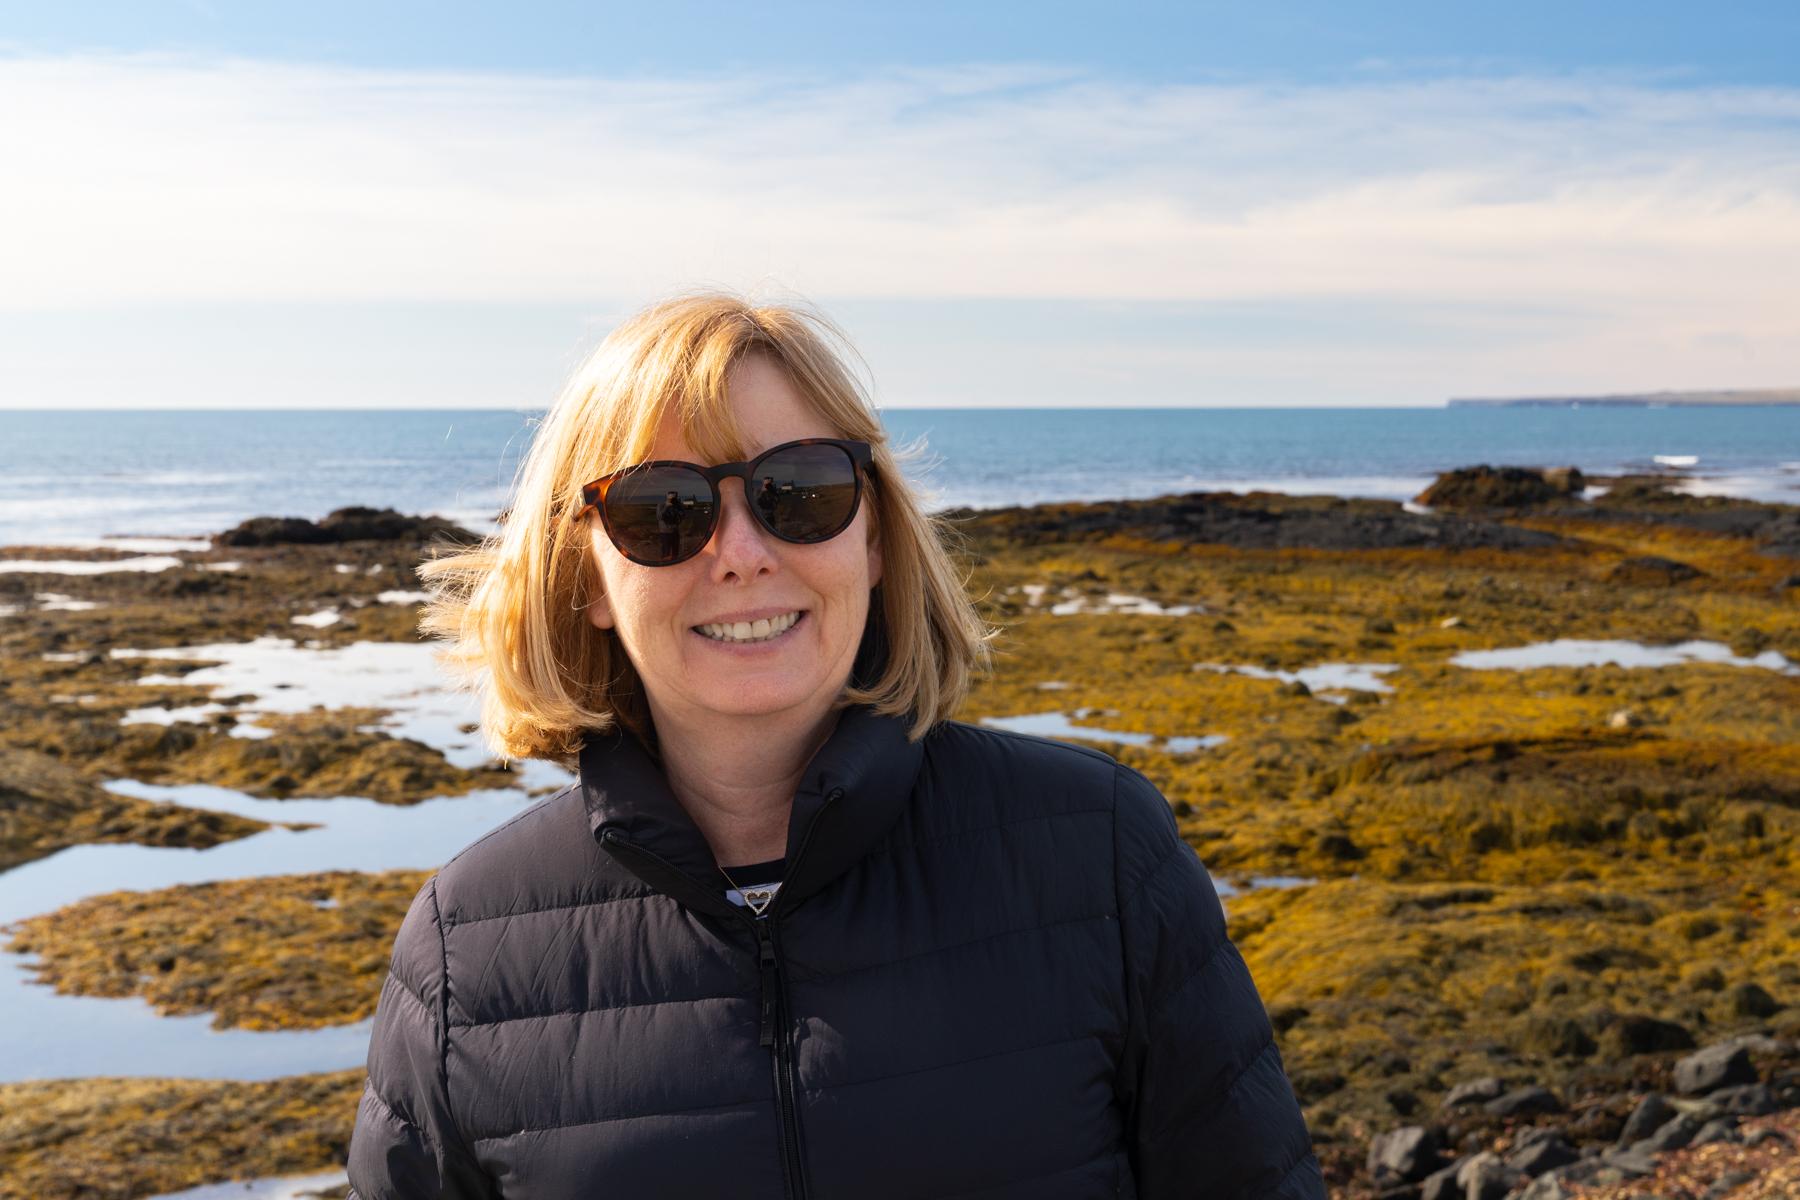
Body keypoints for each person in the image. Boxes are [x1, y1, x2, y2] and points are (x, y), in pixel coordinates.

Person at [348, 293, 1322, 1200]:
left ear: (877, 535)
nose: (740, 552)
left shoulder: (1100, 856)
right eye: (663, 512)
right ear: (588, 578)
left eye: (799, 490)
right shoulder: (464, 953)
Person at [658, 488, 687, 560]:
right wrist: (666, 507)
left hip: (675, 532)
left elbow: (683, 516)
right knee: (666, 553)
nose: (673, 500)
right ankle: (665, 567)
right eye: (672, 498)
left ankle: (675, 565)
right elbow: (659, 517)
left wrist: (678, 505)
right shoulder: (661, 505)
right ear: (667, 498)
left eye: (675, 498)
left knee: (675, 552)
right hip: (665, 533)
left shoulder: (676, 506)